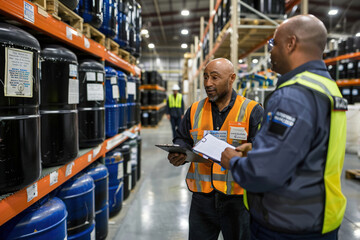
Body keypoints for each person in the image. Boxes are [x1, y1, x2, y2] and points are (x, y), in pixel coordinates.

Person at [221, 15, 347, 240]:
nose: (270, 51)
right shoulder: (326, 86)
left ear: (291, 44)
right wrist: (259, 147)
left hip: (287, 224)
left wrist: (233, 161)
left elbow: (265, 172)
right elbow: (310, 146)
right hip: (319, 216)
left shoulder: (294, 95)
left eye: (274, 43)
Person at [168, 58, 264, 240]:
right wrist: (179, 151)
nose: (208, 83)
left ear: (231, 78)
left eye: (214, 77)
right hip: (202, 198)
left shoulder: (252, 110)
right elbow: (182, 138)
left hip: (237, 199)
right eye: (205, 77)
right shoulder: (194, 110)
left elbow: (262, 151)